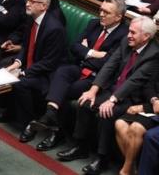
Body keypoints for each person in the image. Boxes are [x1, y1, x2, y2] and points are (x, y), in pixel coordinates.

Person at [57, 16, 159, 175]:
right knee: (84, 102)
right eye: (129, 31)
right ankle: (80, 147)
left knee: (107, 113)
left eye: (133, 32)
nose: (128, 35)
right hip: (113, 89)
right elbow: (110, 65)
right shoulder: (126, 42)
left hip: (131, 97)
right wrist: (93, 90)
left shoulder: (153, 54)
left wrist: (112, 100)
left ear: (146, 36)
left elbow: (134, 80)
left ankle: (102, 158)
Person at [29, 0, 128, 151]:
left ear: (118, 17)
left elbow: (108, 63)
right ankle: (51, 113)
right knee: (61, 71)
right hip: (79, 67)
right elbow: (74, 47)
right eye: (101, 10)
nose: (101, 14)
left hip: (97, 78)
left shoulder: (124, 35)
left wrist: (86, 51)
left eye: (106, 12)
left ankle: (56, 129)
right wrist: (94, 53)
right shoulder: (94, 24)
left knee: (63, 90)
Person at [4, 0, 66, 142]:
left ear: (44, 6)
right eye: (28, 0)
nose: (27, 3)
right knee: (4, 69)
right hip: (33, 66)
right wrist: (17, 64)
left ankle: (29, 124)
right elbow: (26, 45)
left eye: (32, 1)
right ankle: (10, 112)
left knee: (20, 83)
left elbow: (49, 63)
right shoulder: (32, 18)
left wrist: (23, 72)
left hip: (47, 75)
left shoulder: (55, 28)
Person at [115, 81, 159, 175]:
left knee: (136, 127)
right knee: (120, 123)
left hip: (154, 112)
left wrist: (145, 108)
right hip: (151, 105)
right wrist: (154, 100)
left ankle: (125, 171)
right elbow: (149, 85)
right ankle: (132, 168)